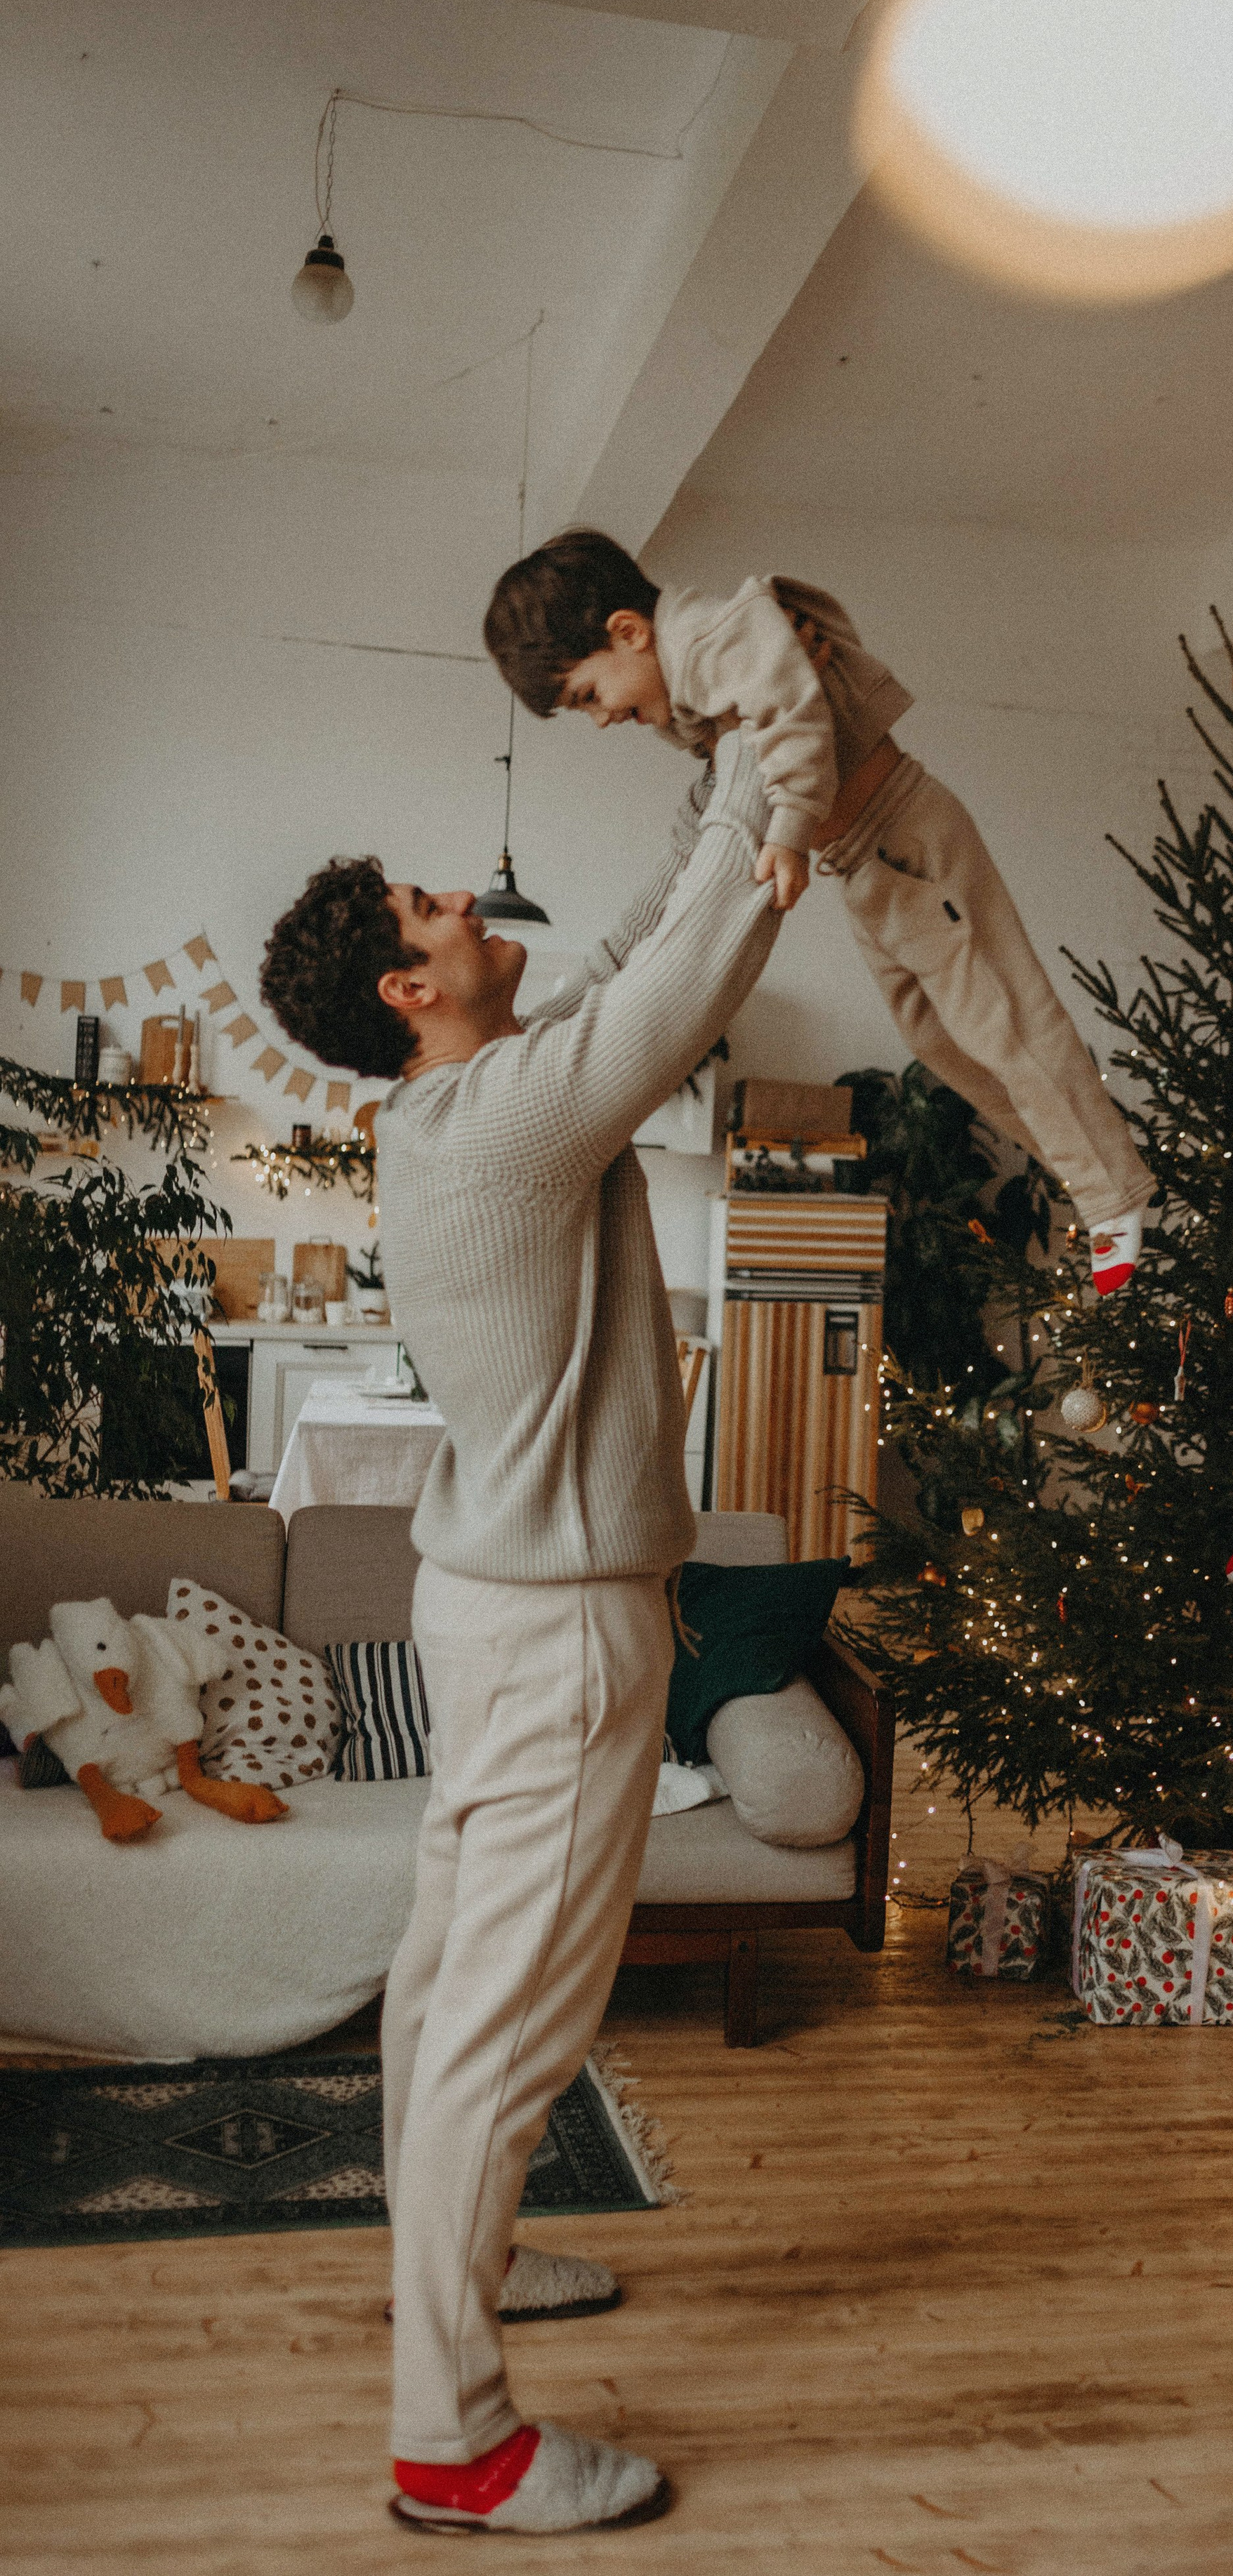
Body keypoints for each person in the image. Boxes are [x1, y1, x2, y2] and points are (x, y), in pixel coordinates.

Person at [258, 739, 778, 2536]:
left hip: (491, 1599)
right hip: (557, 1634)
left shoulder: (462, 1105)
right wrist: (772, 785)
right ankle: (454, 2436)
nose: (467, 902)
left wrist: (706, 797)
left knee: (440, 1974)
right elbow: (687, 977)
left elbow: (631, 963)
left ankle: (448, 2258)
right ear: (409, 988)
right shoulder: (508, 1114)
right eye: (434, 906)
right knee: (506, 2013)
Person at [482, 529, 1156, 1295]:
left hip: (906, 837)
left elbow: (794, 715)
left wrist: (791, 830)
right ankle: (1089, 1171)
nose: (601, 718)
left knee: (1003, 1019)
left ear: (628, 633)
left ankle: (1114, 1194)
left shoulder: (711, 636)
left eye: (588, 696)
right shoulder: (694, 689)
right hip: (865, 869)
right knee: (936, 1038)